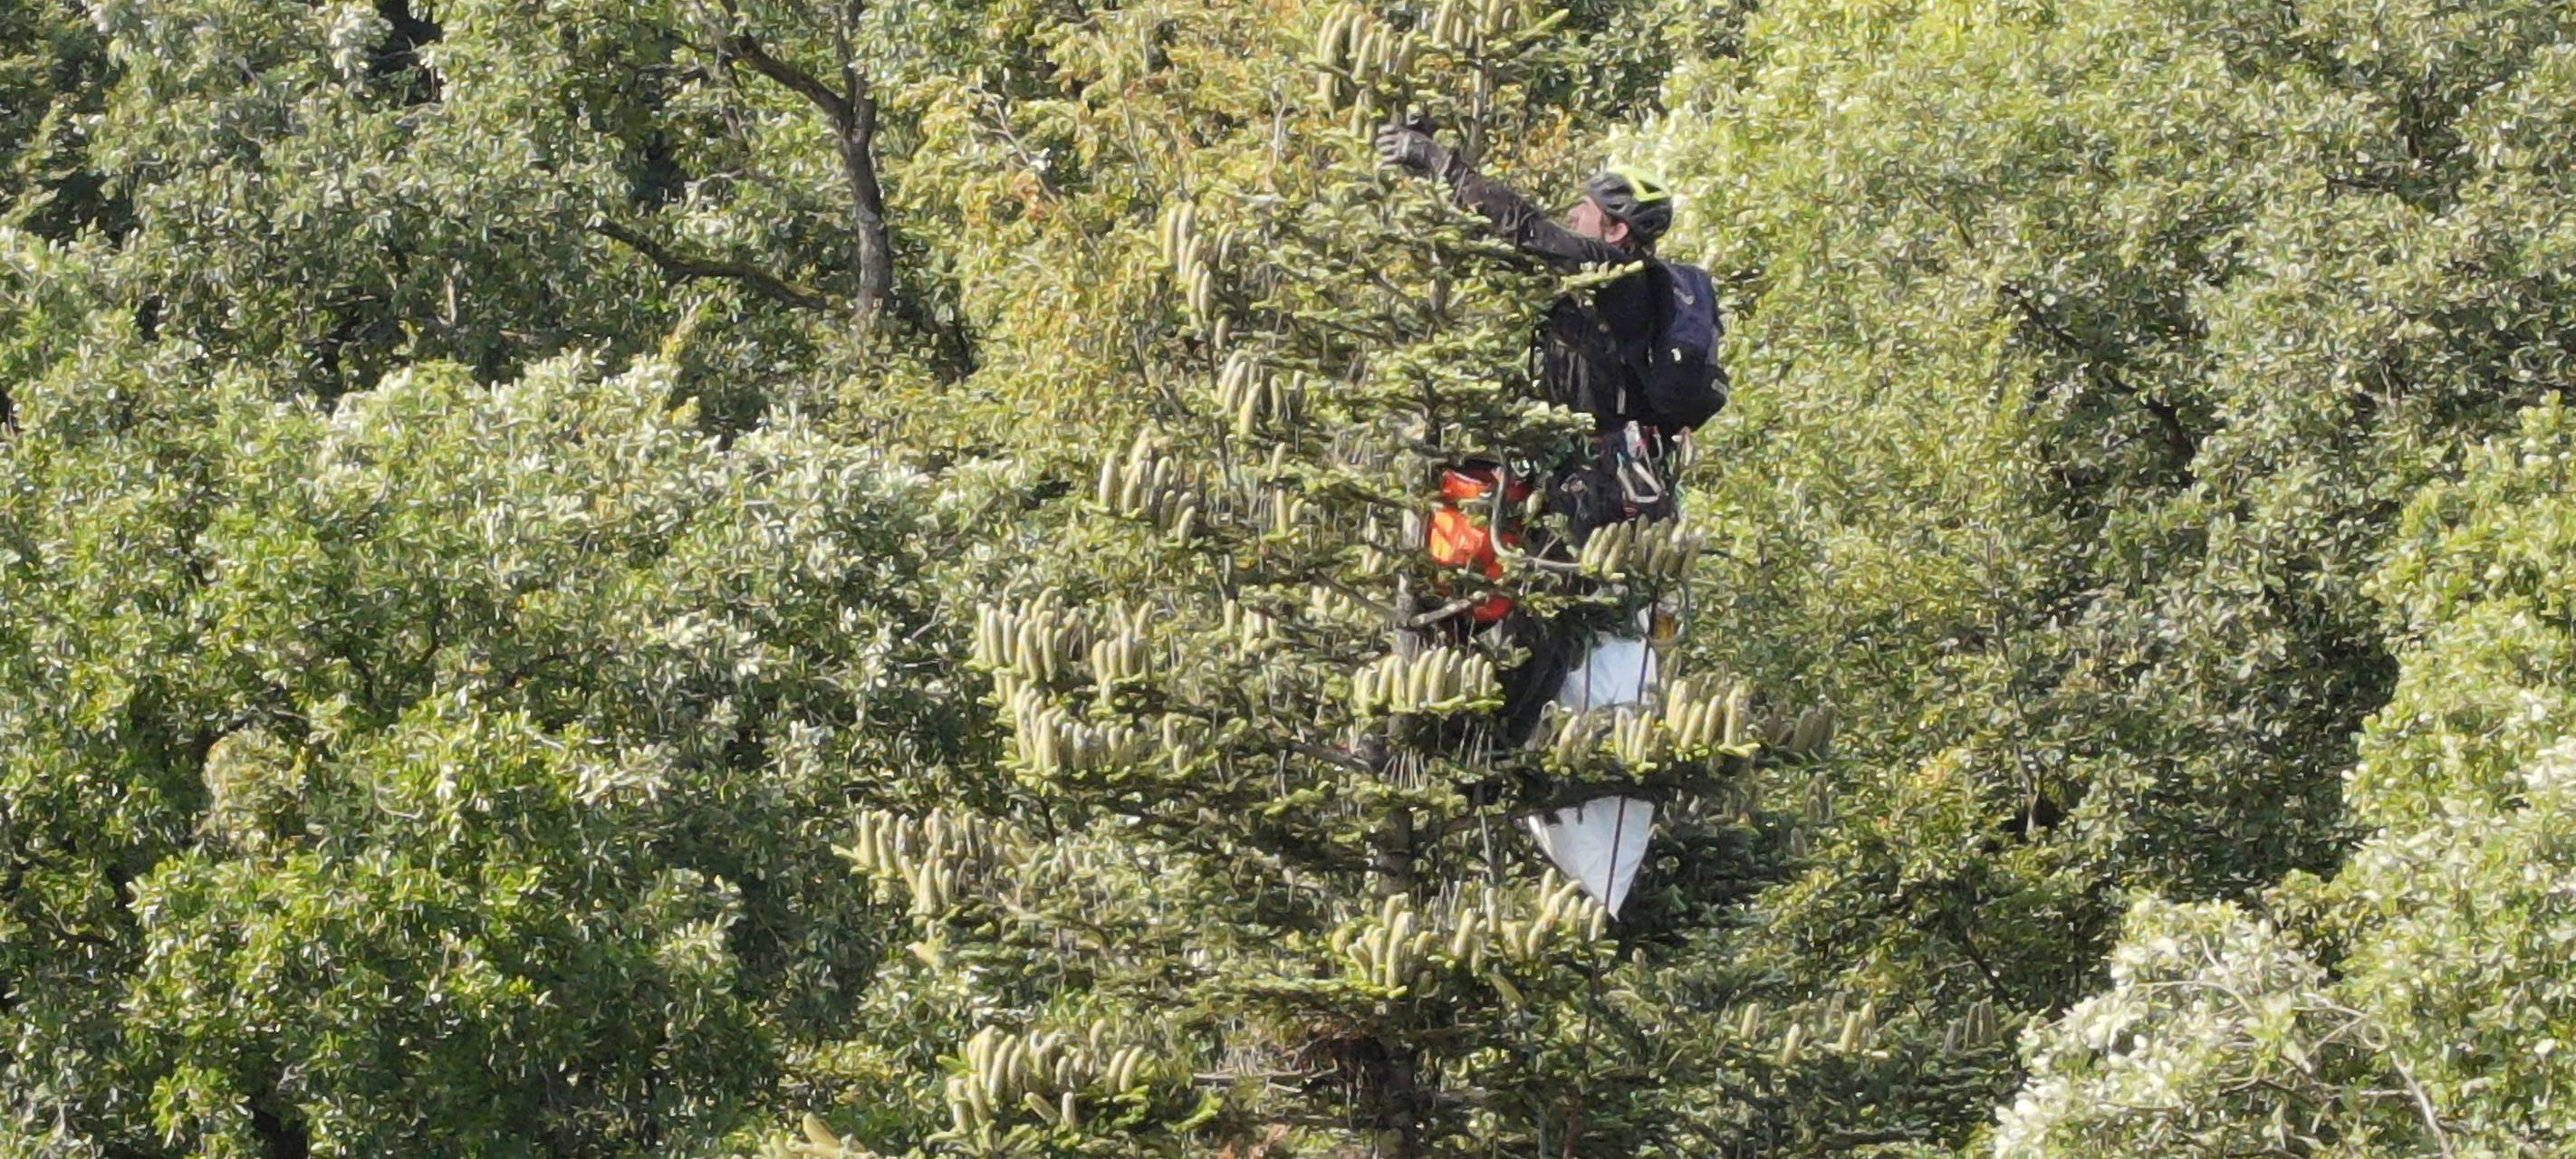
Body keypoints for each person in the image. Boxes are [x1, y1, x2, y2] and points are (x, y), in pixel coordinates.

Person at [1374, 124, 1727, 744]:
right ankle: (1444, 726)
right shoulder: (1605, 289)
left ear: (1615, 231)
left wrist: (1441, 165)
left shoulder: (1617, 275)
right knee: (1505, 590)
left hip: (1603, 488)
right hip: (1587, 475)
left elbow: (1528, 230)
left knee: (1551, 612)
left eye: (1584, 212)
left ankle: (1495, 745)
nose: (1572, 218)